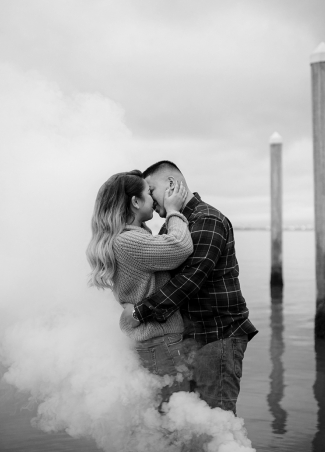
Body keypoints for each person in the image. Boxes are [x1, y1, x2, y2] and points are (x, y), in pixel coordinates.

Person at [126, 160, 258, 414]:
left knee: (216, 420)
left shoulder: (206, 219)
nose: (151, 200)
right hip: (190, 338)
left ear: (172, 184)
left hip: (218, 336)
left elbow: (190, 279)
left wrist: (138, 313)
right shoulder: (175, 224)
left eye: (151, 190)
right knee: (187, 423)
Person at [86, 170, 193, 405]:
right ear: (135, 201)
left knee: (166, 414)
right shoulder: (129, 241)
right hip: (161, 342)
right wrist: (174, 212)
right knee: (174, 415)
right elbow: (179, 247)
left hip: (152, 342)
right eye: (148, 193)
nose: (154, 200)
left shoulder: (129, 237)